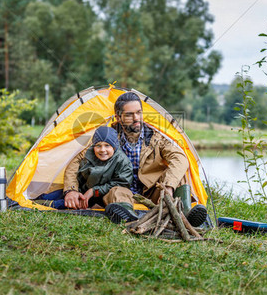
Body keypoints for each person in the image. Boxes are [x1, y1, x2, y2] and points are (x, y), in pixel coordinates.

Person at [103, 92, 208, 226]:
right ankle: (127, 215)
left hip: (154, 192)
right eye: (129, 115)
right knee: (116, 191)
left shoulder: (156, 136)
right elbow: (79, 160)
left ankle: (186, 212)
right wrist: (71, 189)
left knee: (178, 176)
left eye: (139, 112)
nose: (136, 118)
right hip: (125, 193)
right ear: (118, 117)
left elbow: (179, 158)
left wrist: (168, 187)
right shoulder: (108, 138)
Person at [60, 126, 133, 210]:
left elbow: (122, 183)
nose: (102, 150)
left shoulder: (122, 161)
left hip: (102, 195)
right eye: (98, 145)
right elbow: (72, 170)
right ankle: (45, 201)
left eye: (107, 145)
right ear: (93, 146)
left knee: (63, 204)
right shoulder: (87, 153)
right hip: (82, 191)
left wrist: (94, 191)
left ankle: (119, 210)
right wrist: (71, 190)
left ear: (114, 147)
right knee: (55, 196)